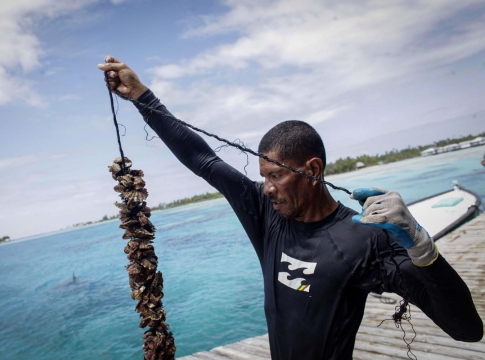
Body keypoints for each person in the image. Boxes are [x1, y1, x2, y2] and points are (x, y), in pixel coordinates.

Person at [98, 57, 483, 360]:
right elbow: (204, 160)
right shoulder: (266, 214)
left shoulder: (366, 240)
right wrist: (143, 97)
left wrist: (420, 246)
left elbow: (466, 329)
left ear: (312, 170)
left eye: (275, 177)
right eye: (261, 176)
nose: (265, 188)